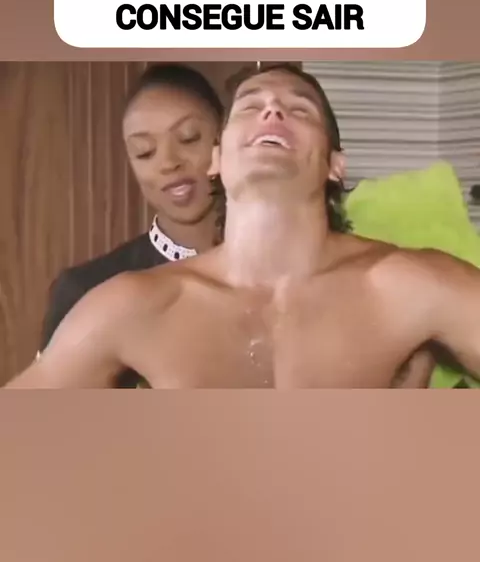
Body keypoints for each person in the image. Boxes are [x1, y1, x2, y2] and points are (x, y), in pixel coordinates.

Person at [8, 63, 480, 389]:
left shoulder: (411, 286)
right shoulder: (133, 305)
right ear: (216, 159)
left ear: (335, 165)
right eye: (250, 107)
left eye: (299, 109)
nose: (272, 111)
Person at [38, 63, 224, 387]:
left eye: (189, 138)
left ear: (225, 138)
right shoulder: (87, 291)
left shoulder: (280, 274)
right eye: (145, 152)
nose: (169, 162)